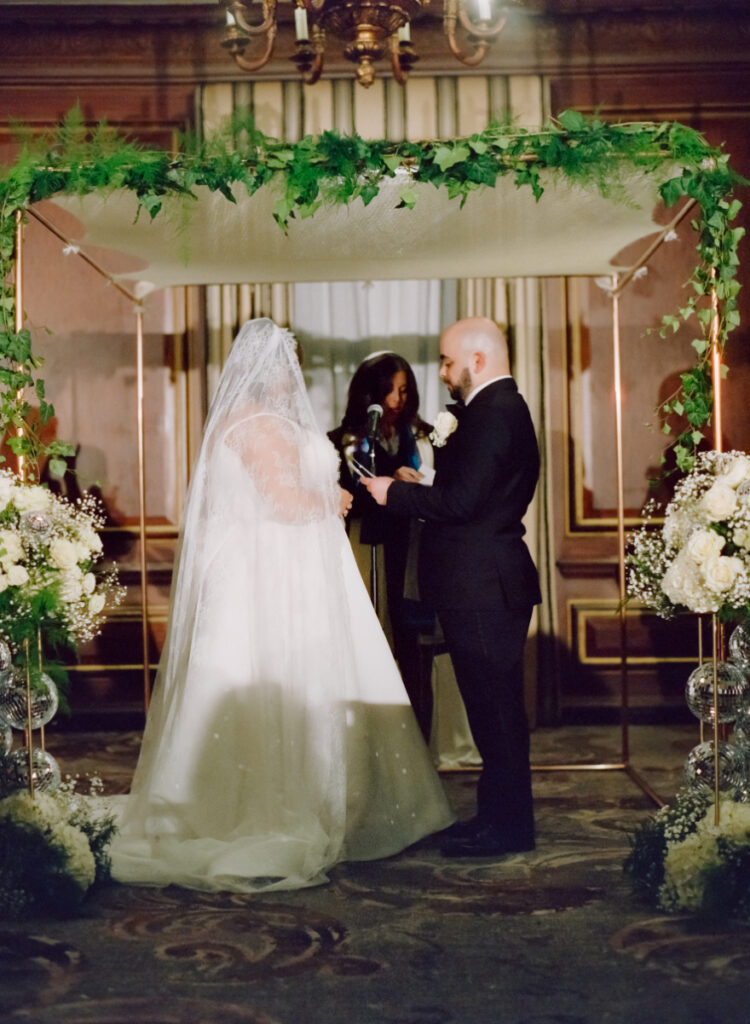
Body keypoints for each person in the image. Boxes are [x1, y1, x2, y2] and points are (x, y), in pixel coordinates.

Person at [110, 318, 452, 892]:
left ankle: (204, 797)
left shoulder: (237, 423)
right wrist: (333, 495)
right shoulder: (263, 426)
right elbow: (284, 502)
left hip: (265, 572)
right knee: (286, 680)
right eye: (288, 365)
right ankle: (285, 806)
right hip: (278, 579)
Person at [364, 317, 541, 858]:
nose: (440, 372)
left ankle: (509, 827)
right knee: (489, 712)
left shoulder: (495, 413)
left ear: (478, 360)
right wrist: (431, 483)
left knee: (497, 712)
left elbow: (465, 506)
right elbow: (473, 493)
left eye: (446, 360)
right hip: (481, 584)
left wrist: (393, 494)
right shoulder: (494, 410)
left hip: (485, 586)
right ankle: (496, 816)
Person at [328, 352, 435, 739]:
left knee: (413, 645)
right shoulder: (348, 439)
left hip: (413, 545)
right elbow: (346, 491)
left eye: (405, 389)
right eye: (389, 389)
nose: (398, 398)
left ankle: (418, 737)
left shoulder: (420, 435)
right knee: (371, 636)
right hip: (366, 545)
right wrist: (392, 478)